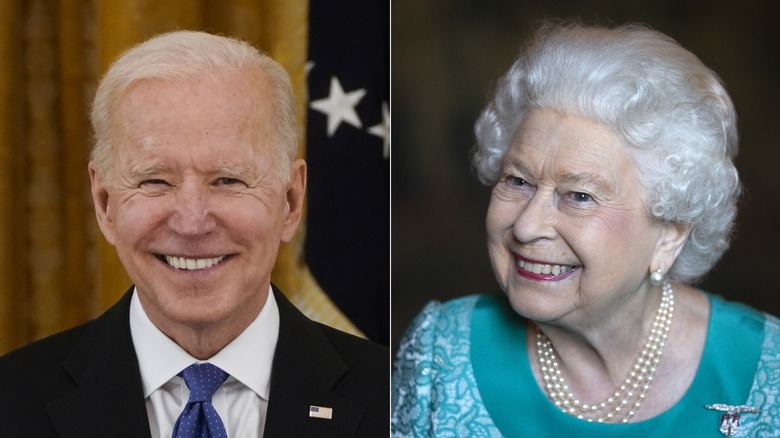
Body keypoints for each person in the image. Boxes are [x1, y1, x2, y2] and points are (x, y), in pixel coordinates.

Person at [392, 21, 780, 437]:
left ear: (670, 232)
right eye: (517, 181)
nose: (526, 226)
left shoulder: (766, 370)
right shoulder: (440, 352)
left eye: (579, 195)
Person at [0, 30, 388, 437]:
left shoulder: (393, 399)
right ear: (104, 203)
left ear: (290, 201)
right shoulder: (11, 402)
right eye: (154, 181)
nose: (192, 222)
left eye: (227, 179)